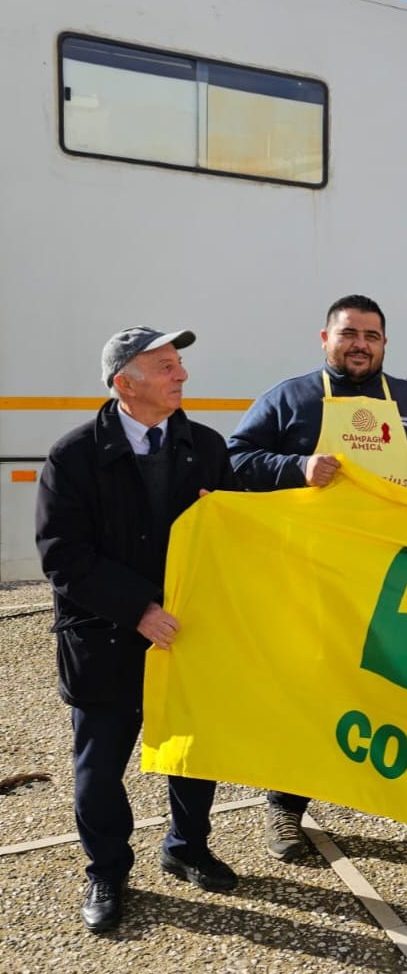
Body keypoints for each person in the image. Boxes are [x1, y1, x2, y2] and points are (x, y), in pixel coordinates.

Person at [227, 293, 407, 861]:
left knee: (403, 688)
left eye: (372, 336)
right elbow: (233, 458)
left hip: (397, 579)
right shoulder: (290, 399)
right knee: (310, 688)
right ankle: (284, 804)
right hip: (313, 578)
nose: (360, 345)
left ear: (384, 345)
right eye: (349, 334)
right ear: (325, 339)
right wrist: (294, 467)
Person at [36, 327, 238, 934]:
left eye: (180, 364)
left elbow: (231, 537)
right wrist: (139, 609)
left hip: (188, 633)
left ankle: (186, 846)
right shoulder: (72, 456)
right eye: (167, 366)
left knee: (193, 751)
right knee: (98, 771)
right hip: (104, 637)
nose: (182, 375)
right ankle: (106, 869)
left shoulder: (204, 445)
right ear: (126, 383)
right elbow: (61, 555)